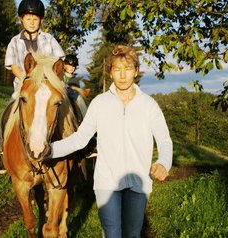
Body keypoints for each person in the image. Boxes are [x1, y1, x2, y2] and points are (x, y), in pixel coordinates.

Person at [49, 45, 173, 237]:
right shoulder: (100, 103)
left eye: (128, 69)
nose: (122, 75)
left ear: (136, 71)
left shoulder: (149, 105)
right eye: (117, 69)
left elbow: (164, 140)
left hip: (139, 182)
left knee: (132, 234)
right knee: (112, 233)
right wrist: (49, 150)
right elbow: (80, 139)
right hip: (106, 182)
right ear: (110, 72)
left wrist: (164, 162)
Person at [0, 0, 65, 173]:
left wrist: (46, 79)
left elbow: (60, 60)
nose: (32, 22)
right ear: (21, 19)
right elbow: (13, 65)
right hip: (24, 86)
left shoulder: (49, 39)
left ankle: (86, 145)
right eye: (28, 18)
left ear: (41, 20)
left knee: (72, 101)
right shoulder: (14, 42)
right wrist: (27, 79)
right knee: (7, 111)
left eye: (35, 19)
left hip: (47, 87)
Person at [62, 54, 89, 120]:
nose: (73, 68)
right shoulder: (60, 75)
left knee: (79, 98)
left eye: (74, 66)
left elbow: (75, 88)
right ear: (64, 65)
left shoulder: (75, 79)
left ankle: (85, 119)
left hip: (70, 95)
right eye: (70, 65)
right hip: (61, 94)